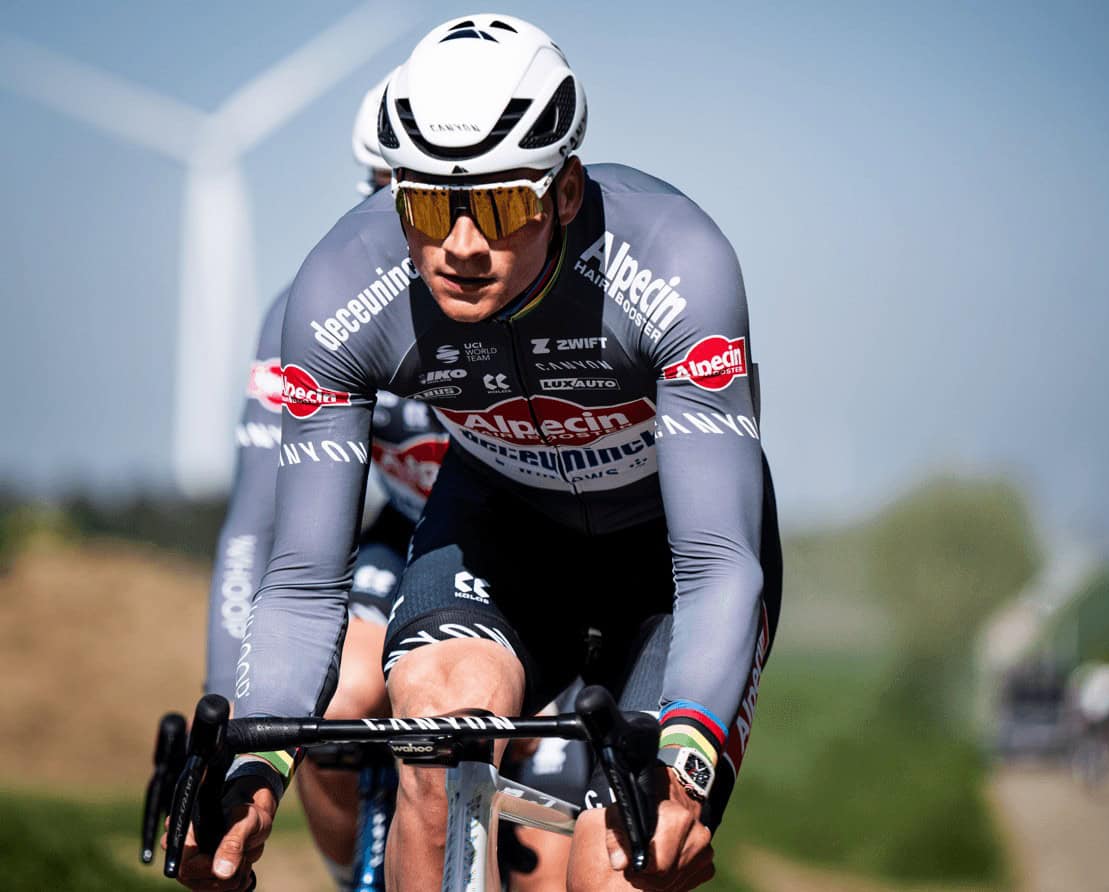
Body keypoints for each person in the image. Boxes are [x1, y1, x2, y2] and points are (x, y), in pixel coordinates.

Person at [177, 14, 781, 892]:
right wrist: (251, 765)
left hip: (666, 562)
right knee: (435, 741)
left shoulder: (675, 262)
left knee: (616, 860)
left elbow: (718, 560)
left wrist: (687, 759)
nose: (460, 246)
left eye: (498, 206)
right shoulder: (340, 288)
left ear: (564, 192)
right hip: (502, 528)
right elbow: (303, 579)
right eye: (427, 206)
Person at [201, 72, 580, 892]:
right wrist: (229, 709)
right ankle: (356, 877)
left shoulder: (527, 299)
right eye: (409, 201)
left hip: (539, 554)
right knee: (334, 701)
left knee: (547, 849)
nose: (452, 237)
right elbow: (257, 528)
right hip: (407, 541)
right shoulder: (320, 307)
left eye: (474, 202)